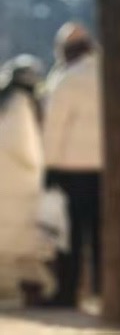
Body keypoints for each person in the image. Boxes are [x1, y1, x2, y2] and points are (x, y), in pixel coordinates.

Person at [42, 26, 103, 309]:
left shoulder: (66, 78)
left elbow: (54, 128)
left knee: (69, 237)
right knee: (102, 234)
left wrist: (49, 165)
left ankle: (67, 293)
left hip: (71, 168)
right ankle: (105, 292)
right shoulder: (108, 74)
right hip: (106, 170)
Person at [0, 60, 50, 305]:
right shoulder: (20, 105)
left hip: (8, 178)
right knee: (19, 239)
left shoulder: (7, 103)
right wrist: (42, 165)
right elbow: (24, 146)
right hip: (20, 180)